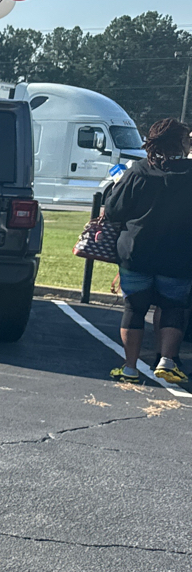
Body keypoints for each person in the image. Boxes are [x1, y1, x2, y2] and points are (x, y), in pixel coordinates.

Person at [102, 117, 192, 384]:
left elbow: (114, 209)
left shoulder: (139, 171)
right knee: (173, 307)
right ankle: (167, 361)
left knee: (134, 308)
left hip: (136, 252)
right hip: (178, 255)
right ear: (178, 142)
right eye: (187, 139)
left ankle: (129, 368)